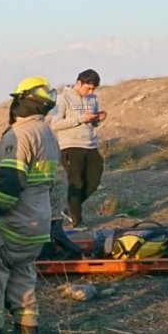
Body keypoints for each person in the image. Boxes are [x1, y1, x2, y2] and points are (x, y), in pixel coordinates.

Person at [0, 76, 61, 334]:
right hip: (38, 222)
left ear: (21, 101)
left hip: (11, 222)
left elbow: (11, 181)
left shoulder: (19, 135)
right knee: (23, 273)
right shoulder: (47, 133)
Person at [47, 68, 105, 227]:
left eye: (94, 88)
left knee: (93, 181)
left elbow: (92, 123)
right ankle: (76, 220)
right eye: (88, 87)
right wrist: (80, 119)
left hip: (91, 145)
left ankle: (70, 209)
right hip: (70, 146)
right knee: (76, 183)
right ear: (79, 82)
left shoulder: (93, 99)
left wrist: (97, 119)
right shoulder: (63, 99)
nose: (91, 91)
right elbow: (55, 124)